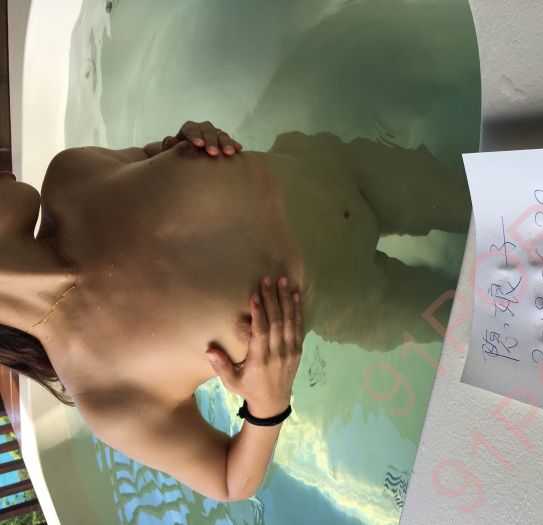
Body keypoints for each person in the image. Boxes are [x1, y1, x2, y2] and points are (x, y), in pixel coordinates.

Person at [0, 120, 468, 501]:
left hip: (340, 170)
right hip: (361, 298)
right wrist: (268, 405)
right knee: (480, 316)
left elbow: (155, 154)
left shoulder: (72, 172)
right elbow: (229, 483)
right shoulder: (105, 390)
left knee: (485, 196)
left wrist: (188, 141)